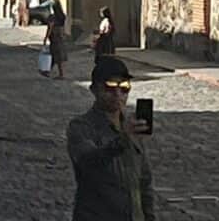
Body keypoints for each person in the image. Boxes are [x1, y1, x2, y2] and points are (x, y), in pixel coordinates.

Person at [66, 57, 155, 221]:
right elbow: (88, 161)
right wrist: (122, 140)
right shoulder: (82, 126)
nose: (118, 94)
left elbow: (144, 181)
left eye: (124, 88)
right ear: (94, 90)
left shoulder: (131, 127)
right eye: (110, 88)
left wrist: (149, 216)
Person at [44, 0, 68, 79]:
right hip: (60, 37)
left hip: (54, 38)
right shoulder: (62, 16)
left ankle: (61, 74)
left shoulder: (53, 17)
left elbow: (50, 28)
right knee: (56, 56)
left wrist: (46, 37)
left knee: (56, 56)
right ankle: (48, 71)